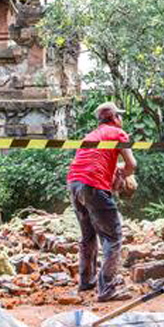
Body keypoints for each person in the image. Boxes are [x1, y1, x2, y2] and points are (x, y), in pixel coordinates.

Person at [67, 101, 137, 302]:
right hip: (93, 185)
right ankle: (107, 289)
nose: (121, 119)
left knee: (88, 235)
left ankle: (86, 280)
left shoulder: (90, 136)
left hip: (74, 183)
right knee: (113, 237)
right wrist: (125, 175)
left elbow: (95, 162)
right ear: (115, 118)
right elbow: (132, 164)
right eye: (119, 116)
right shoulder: (118, 134)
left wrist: (113, 174)